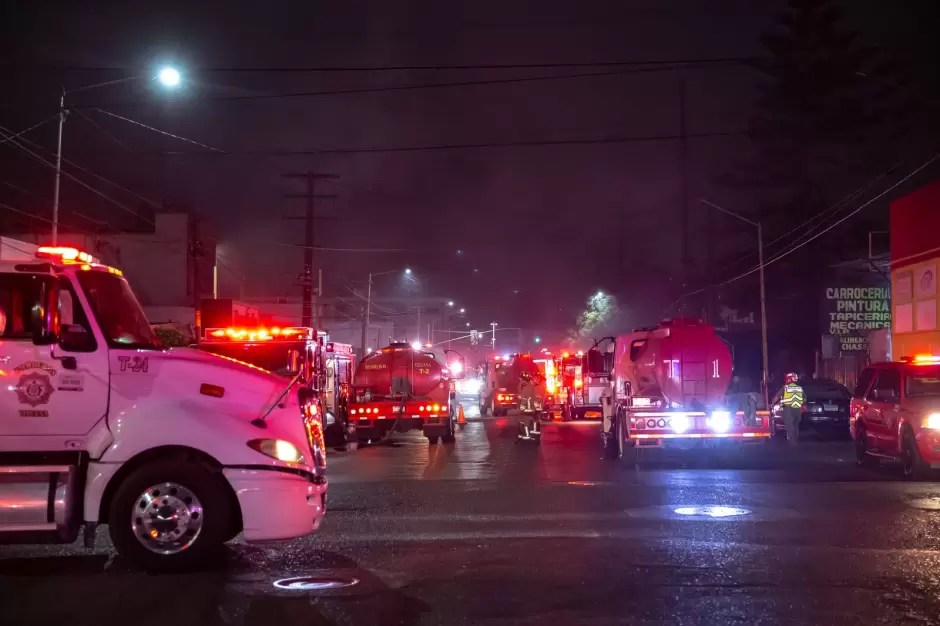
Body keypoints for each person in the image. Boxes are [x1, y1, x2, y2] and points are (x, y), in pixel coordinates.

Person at [779, 372, 805, 446]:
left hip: (788, 409)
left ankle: (792, 442)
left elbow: (777, 397)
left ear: (789, 379)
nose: (786, 380)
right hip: (798, 409)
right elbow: (804, 398)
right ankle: (795, 439)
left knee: (790, 426)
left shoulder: (785, 388)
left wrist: (771, 404)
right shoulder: (800, 388)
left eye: (787, 379)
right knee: (795, 425)